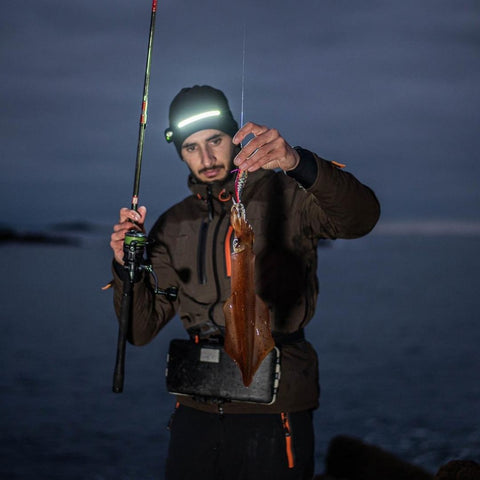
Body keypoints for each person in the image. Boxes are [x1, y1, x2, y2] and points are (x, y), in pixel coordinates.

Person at [109, 85, 380, 480]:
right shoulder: (171, 225)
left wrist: (298, 163)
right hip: (196, 414)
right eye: (191, 147)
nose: (205, 157)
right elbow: (139, 329)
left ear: (234, 136)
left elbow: (362, 218)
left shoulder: (290, 193)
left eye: (215, 140)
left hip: (274, 409)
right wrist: (124, 270)